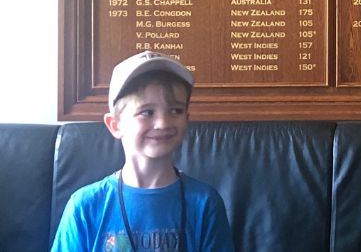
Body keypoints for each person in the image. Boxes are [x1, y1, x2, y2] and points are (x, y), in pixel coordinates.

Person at [51, 51, 235, 251]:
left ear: (187, 119)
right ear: (115, 125)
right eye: (147, 112)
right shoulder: (85, 207)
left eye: (176, 110)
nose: (163, 123)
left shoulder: (205, 203)